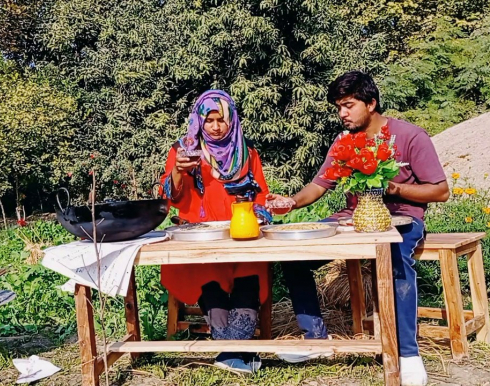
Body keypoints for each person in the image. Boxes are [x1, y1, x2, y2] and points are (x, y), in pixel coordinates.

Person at [267, 71, 449, 386]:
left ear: (371, 103)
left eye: (349, 105)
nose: (342, 114)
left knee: (395, 257)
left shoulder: (409, 137)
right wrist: (291, 202)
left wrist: (393, 188)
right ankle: (316, 340)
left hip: (401, 217)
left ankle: (407, 353)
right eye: (339, 107)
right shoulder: (344, 141)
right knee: (294, 255)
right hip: (351, 217)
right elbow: (319, 185)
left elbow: (440, 191)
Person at [160, 90, 272, 374]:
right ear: (199, 121)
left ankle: (231, 351)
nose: (215, 126)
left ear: (231, 120)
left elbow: (261, 196)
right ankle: (238, 351)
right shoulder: (184, 150)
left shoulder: (247, 153)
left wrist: (258, 215)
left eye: (221, 119)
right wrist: (177, 170)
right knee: (208, 277)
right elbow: (170, 197)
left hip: (241, 233)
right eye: (209, 120)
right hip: (200, 238)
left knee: (250, 274)